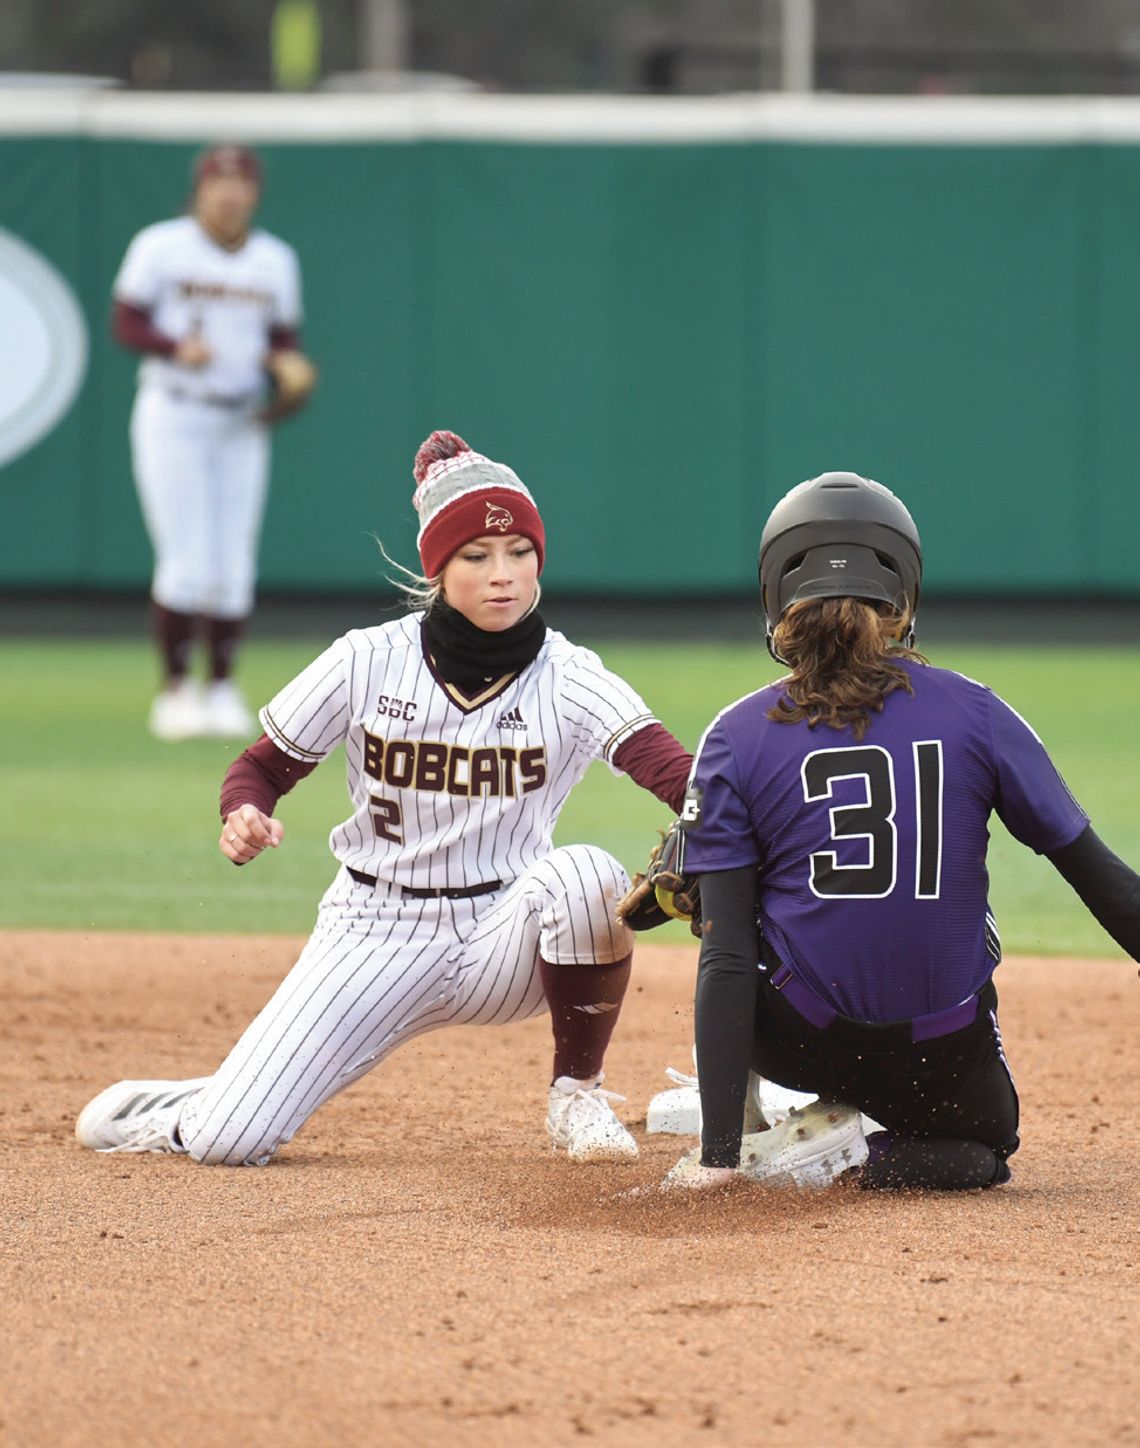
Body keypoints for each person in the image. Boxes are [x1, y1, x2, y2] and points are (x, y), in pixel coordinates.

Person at [75, 430, 694, 1166]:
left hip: (504, 932)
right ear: (438, 567)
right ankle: (193, 1104)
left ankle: (578, 1096)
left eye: (520, 553)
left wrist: (733, 813)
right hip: (374, 928)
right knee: (228, 1143)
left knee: (587, 875)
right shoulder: (368, 659)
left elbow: (675, 772)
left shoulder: (572, 675)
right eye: (477, 557)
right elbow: (261, 767)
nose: (504, 575)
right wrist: (245, 811)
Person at [658, 470, 1140, 1192]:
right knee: (983, 1151)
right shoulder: (978, 711)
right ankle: (854, 1158)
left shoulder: (734, 734)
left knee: (721, 905)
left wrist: (715, 1164)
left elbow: (727, 959)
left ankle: (744, 1138)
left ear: (777, 597)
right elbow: (1104, 884)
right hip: (940, 1064)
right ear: (904, 597)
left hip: (801, 1041)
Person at [111, 142, 314, 741]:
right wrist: (174, 346)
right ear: (200, 190)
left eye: (241, 182)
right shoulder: (161, 246)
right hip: (174, 408)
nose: (230, 193)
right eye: (219, 182)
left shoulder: (274, 259)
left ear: (254, 193)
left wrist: (287, 370)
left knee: (232, 561)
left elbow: (281, 335)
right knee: (186, 558)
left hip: (240, 417)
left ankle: (221, 687)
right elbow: (127, 321)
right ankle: (175, 693)